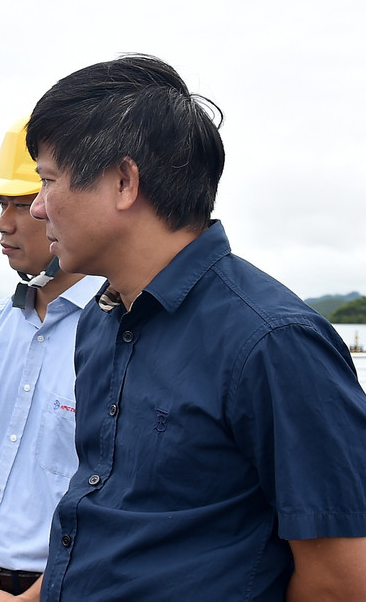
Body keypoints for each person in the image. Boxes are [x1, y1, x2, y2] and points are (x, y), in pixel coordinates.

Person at [27, 54, 366, 601]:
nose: (38, 208)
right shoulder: (100, 322)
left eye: (47, 180)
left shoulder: (272, 341)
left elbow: (340, 583)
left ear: (122, 182)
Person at [0, 117, 105, 602]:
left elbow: (114, 500)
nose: (2, 221)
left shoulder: (115, 330)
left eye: (22, 202)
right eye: (0, 203)